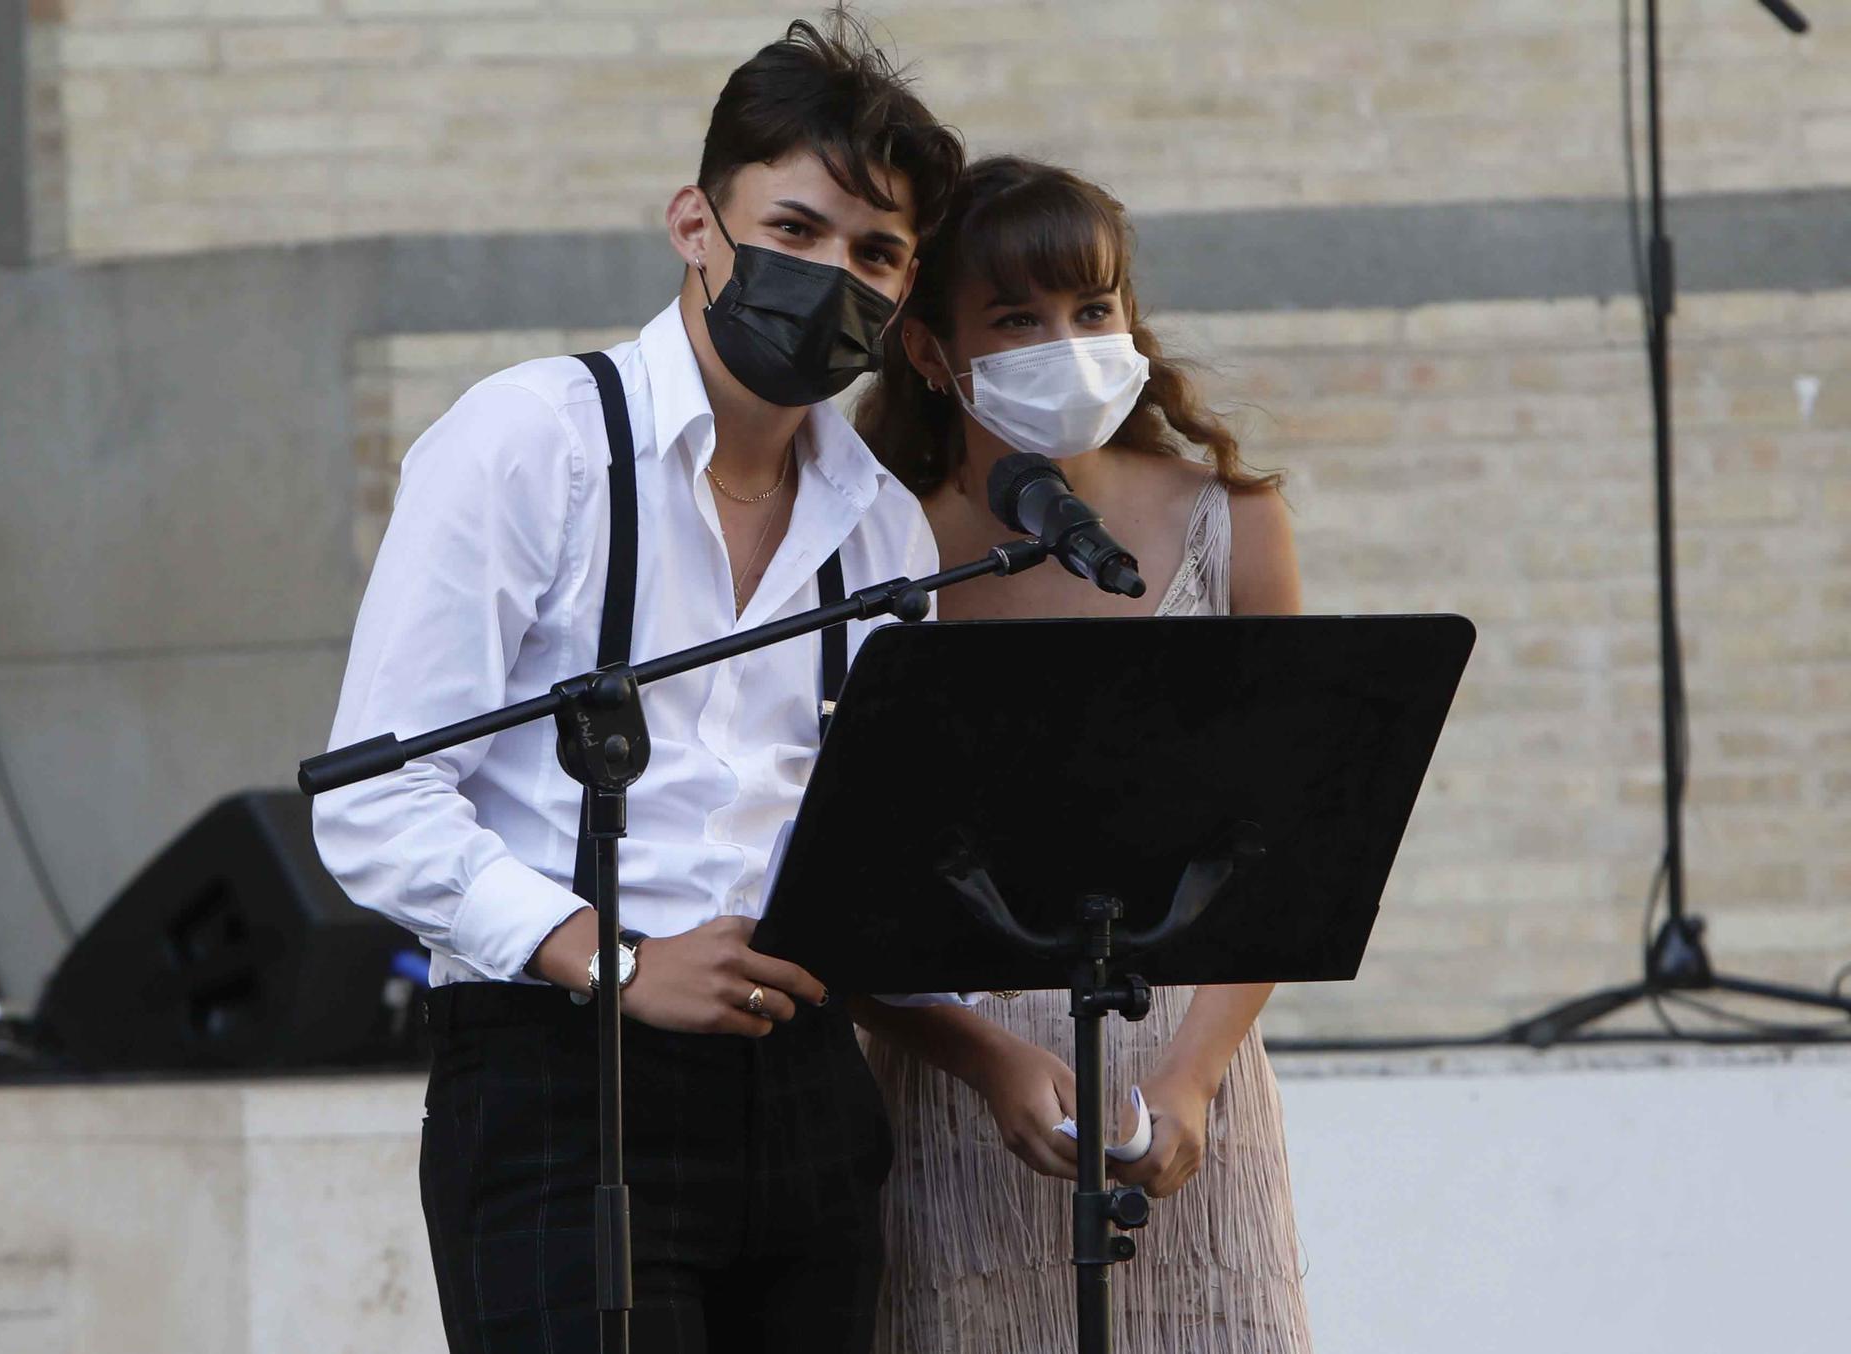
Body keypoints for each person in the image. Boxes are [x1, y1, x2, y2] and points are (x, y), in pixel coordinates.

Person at [311, 19, 964, 1353]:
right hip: (562, 1080)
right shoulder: (533, 441)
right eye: (794, 226)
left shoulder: (884, 527)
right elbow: (373, 800)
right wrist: (610, 961)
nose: (830, 273)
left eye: (875, 253)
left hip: (808, 1094)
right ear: (694, 223)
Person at [852, 155, 1313, 1352]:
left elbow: (1292, 841)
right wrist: (976, 1054)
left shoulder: (1234, 525)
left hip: (1185, 1079)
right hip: (958, 1086)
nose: (1067, 341)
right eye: (1015, 319)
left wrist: (1193, 1075)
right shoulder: (870, 550)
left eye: (1090, 308)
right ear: (928, 351)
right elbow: (833, 876)